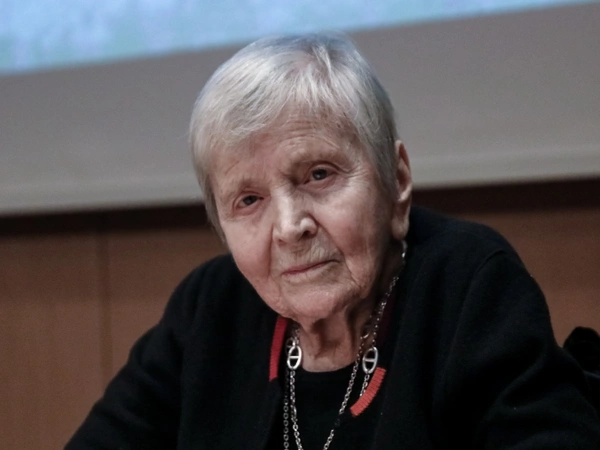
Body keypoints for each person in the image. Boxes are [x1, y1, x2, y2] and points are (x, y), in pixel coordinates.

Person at [66, 33, 600, 449]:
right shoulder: (209, 307)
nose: (289, 226)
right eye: (248, 200)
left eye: (318, 175)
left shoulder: (469, 283)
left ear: (397, 180)